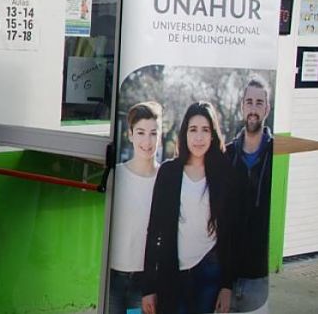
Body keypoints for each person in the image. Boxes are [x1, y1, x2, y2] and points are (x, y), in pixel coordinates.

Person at [142, 102, 235, 314]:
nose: (199, 137)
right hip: (173, 271)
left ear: (213, 135)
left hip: (210, 269)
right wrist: (148, 287)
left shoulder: (224, 173)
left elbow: (230, 233)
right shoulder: (169, 172)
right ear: (185, 133)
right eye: (193, 130)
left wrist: (227, 285)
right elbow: (154, 230)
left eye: (205, 130)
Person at [108, 102, 162, 314]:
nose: (147, 141)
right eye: (140, 133)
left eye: (153, 133)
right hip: (113, 277)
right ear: (130, 134)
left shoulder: (165, 178)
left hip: (145, 283)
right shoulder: (118, 174)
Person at [225, 76, 273, 312]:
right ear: (241, 106)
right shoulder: (227, 155)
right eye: (249, 102)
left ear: (267, 108)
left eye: (259, 103)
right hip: (225, 278)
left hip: (258, 278)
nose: (253, 109)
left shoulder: (275, 154)